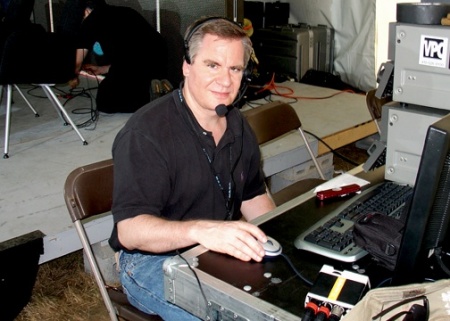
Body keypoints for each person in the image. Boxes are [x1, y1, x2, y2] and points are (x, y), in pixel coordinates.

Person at [109, 16, 276, 320]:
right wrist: (204, 230)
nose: (225, 81)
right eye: (213, 65)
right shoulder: (146, 133)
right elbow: (130, 231)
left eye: (235, 69)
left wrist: (277, 244)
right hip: (149, 260)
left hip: (210, 249)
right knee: (225, 315)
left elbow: (253, 198)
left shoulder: (238, 125)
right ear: (187, 66)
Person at [69, 0, 167, 113]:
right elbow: (128, 53)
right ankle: (157, 88)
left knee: (105, 102)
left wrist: (71, 76)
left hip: (137, 65)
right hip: (158, 60)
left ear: (86, 11)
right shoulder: (125, 11)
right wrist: (103, 69)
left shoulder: (90, 21)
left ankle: (149, 98)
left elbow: (77, 63)